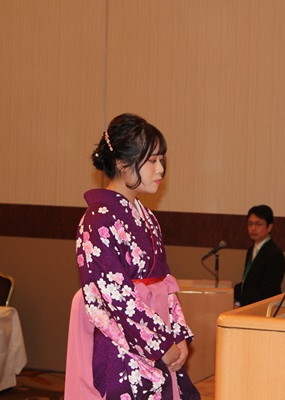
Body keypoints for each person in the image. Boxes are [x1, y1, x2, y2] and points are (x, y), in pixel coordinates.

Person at [66, 113, 200, 399]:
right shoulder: (97, 220)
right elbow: (116, 298)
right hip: (122, 344)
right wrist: (160, 344)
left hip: (157, 334)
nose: (160, 169)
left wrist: (177, 334)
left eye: (161, 160)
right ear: (121, 163)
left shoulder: (147, 217)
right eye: (151, 160)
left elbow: (165, 284)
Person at [234, 205, 285, 307]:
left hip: (263, 308)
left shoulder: (275, 254)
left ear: (269, 227)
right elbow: (247, 282)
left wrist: (244, 304)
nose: (253, 228)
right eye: (250, 224)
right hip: (248, 305)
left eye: (258, 224)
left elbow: (268, 291)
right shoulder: (251, 250)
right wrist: (237, 300)